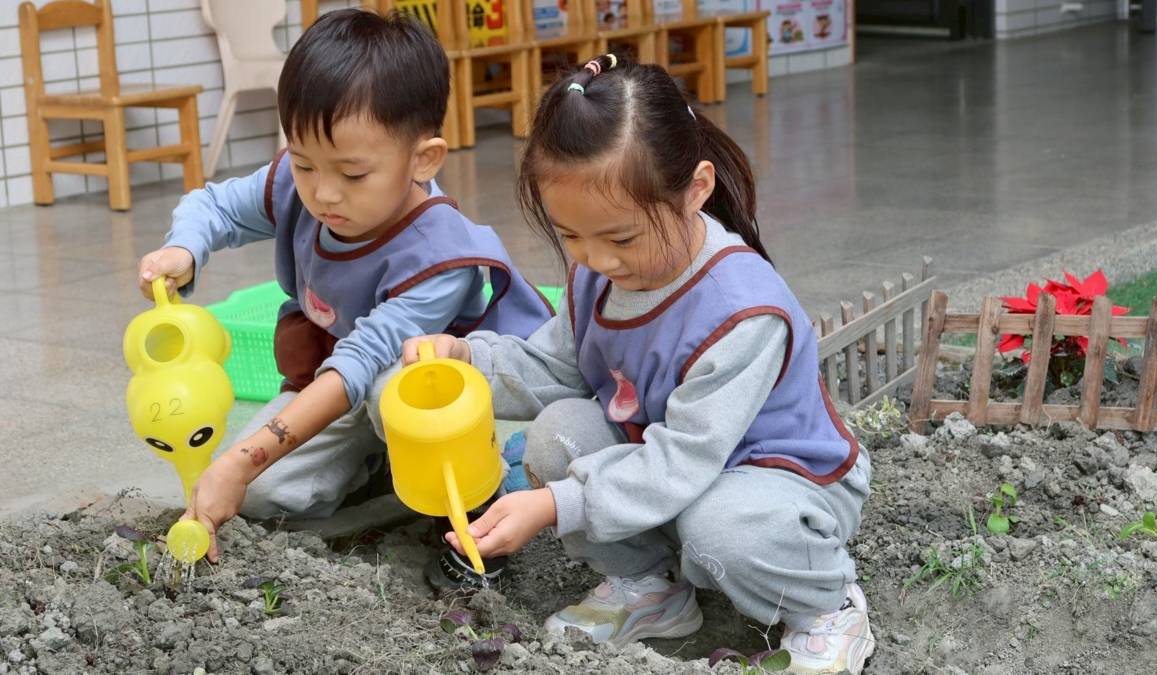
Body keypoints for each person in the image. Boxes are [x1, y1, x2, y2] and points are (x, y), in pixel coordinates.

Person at [403, 55, 874, 673]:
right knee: (559, 433)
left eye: (621, 238)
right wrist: (466, 359)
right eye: (571, 235)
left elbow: (684, 456)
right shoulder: (595, 276)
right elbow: (556, 368)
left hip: (782, 485)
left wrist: (554, 506)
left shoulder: (743, 310)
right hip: (674, 472)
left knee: (720, 526)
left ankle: (826, 606)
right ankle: (652, 590)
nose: (597, 259)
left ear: (696, 189)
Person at [135, 11, 551, 582]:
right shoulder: (302, 182)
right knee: (263, 499)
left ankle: (477, 503)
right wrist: (184, 250)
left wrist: (240, 459)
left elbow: (358, 366)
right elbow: (214, 205)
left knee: (388, 392)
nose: (324, 193)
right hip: (331, 381)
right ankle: (381, 470)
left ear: (423, 159)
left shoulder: (435, 256)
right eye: (305, 164)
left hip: (412, 390)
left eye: (353, 175)